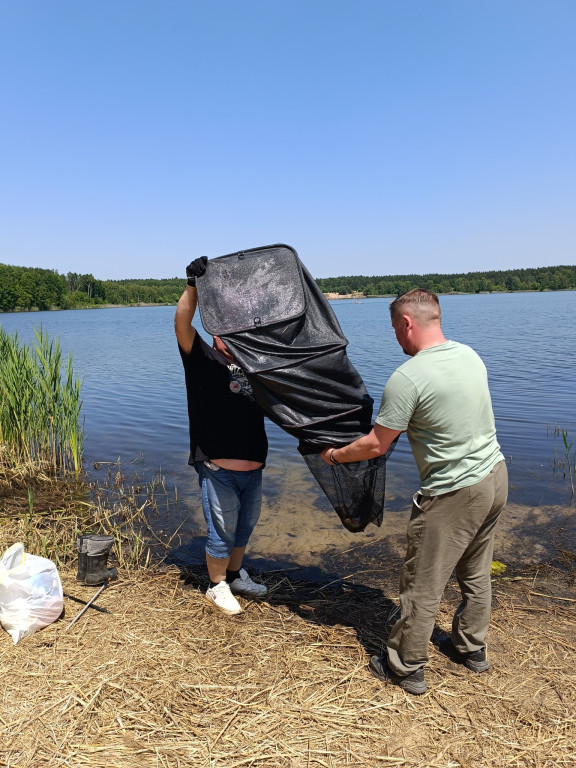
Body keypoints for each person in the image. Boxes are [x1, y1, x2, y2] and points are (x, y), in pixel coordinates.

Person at [320, 288, 507, 695]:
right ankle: (470, 649)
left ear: (407, 323)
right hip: (495, 476)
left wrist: (333, 456)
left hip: (455, 492)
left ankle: (405, 667)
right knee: (475, 573)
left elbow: (375, 444)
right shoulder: (468, 354)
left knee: (422, 581)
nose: (396, 339)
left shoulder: (409, 377)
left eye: (394, 329)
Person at [174, 256, 269, 616]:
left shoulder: (256, 365)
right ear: (215, 334)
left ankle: (234, 575)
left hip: (254, 465)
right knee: (221, 531)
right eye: (225, 330)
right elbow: (182, 324)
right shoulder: (201, 358)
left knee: (244, 528)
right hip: (218, 467)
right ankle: (216, 587)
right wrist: (193, 286)